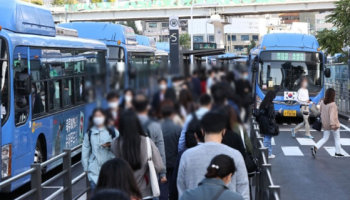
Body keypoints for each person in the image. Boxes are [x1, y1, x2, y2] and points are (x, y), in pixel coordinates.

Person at [177, 111, 249, 200]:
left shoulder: (187, 156)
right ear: (224, 130)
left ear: (202, 131)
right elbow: (243, 193)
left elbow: (181, 192)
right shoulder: (235, 155)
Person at [111, 110, 166, 199]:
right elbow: (159, 166)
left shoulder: (115, 143)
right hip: (144, 192)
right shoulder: (147, 142)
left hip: (123, 191)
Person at [132, 93, 167, 178]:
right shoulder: (155, 125)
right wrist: (163, 173)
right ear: (148, 107)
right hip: (150, 170)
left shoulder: (127, 124)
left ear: (133, 107)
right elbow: (160, 150)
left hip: (131, 169)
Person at [82, 108, 116, 191]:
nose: (98, 118)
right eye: (96, 116)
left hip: (110, 171)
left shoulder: (112, 131)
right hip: (94, 172)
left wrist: (111, 145)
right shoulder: (89, 132)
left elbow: (120, 145)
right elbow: (85, 150)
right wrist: (86, 168)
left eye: (100, 116)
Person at [159, 101, 182, 200]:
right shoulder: (178, 128)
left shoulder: (157, 128)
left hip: (160, 162)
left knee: (162, 186)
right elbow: (181, 145)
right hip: (174, 160)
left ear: (161, 115)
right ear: (172, 115)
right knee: (174, 186)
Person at [312, 88, 344, 157]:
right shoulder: (333, 104)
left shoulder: (322, 103)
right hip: (333, 124)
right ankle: (338, 152)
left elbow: (320, 112)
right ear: (333, 95)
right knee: (337, 138)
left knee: (325, 138)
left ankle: (315, 147)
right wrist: (333, 125)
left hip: (325, 124)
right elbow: (332, 115)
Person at [258, 91, 281, 159]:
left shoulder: (263, 103)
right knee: (267, 138)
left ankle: (269, 153)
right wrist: (278, 113)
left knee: (268, 137)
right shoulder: (270, 104)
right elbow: (271, 115)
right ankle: (264, 153)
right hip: (268, 123)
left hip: (263, 122)